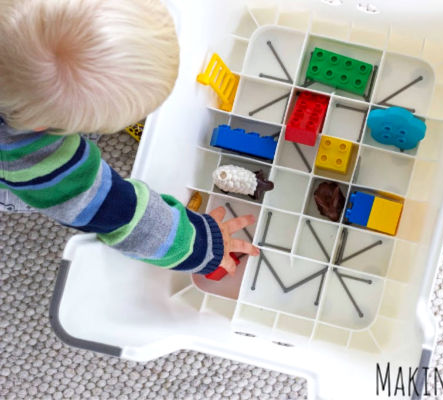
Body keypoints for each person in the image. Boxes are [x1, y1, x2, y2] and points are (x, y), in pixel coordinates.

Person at [0, 0, 259, 275]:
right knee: (46, 190)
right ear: (41, 125)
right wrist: (201, 243)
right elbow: (117, 212)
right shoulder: (28, 154)